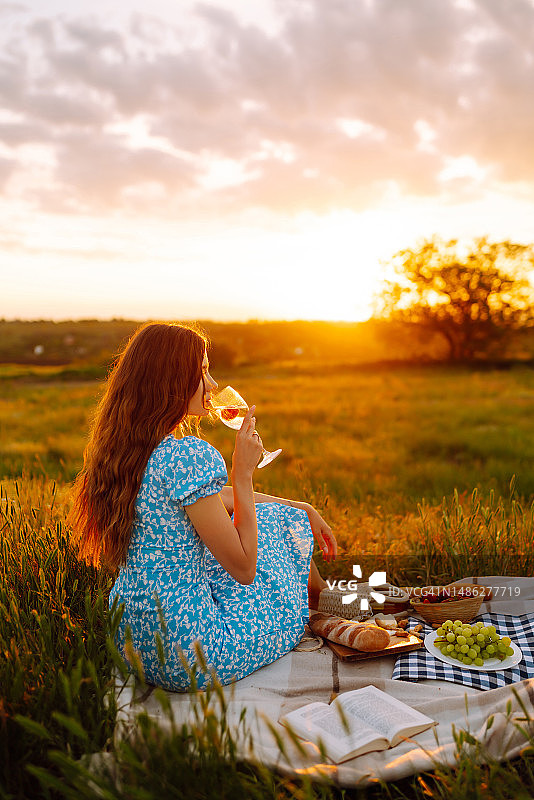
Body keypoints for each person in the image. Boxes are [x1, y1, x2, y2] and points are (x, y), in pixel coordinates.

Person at [69, 322, 337, 691]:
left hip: (133, 642)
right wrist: (243, 473)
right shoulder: (190, 455)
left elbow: (215, 498)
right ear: (170, 379)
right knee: (271, 527)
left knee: (278, 513)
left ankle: (323, 596)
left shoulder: (124, 452)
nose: (211, 385)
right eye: (203, 371)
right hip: (195, 654)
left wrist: (300, 506)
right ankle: (320, 603)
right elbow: (243, 568)